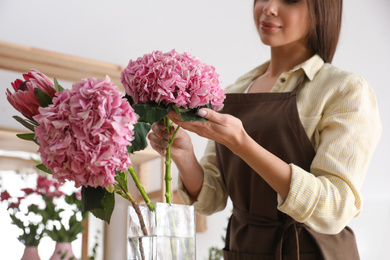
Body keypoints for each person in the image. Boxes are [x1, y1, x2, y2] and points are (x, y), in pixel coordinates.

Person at [148, 0, 381, 259]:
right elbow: (211, 198)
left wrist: (242, 144)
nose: (268, 8)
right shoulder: (234, 91)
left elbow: (335, 207)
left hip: (313, 251)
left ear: (321, 9)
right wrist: (184, 154)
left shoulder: (344, 89)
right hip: (244, 247)